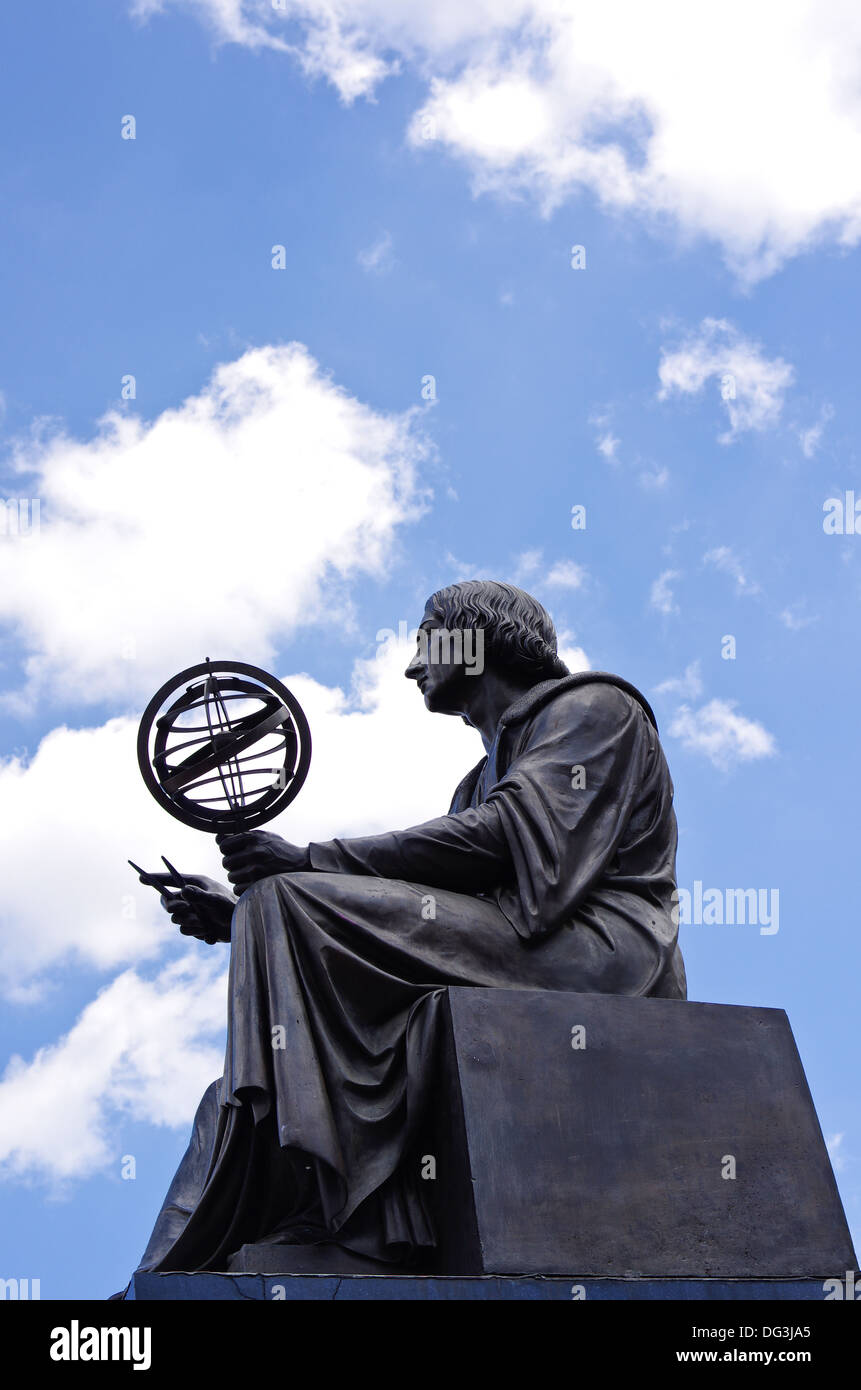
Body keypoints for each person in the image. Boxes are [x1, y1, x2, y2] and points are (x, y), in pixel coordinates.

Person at [135, 580, 686, 1274]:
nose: (410, 664)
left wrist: (303, 866)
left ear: (473, 639)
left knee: (286, 900)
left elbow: (505, 839)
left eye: (426, 637)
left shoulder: (594, 707)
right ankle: (168, 1285)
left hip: (597, 954)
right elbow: (417, 903)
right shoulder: (473, 781)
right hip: (516, 944)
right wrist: (244, 913)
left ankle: (338, 1217)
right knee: (228, 1092)